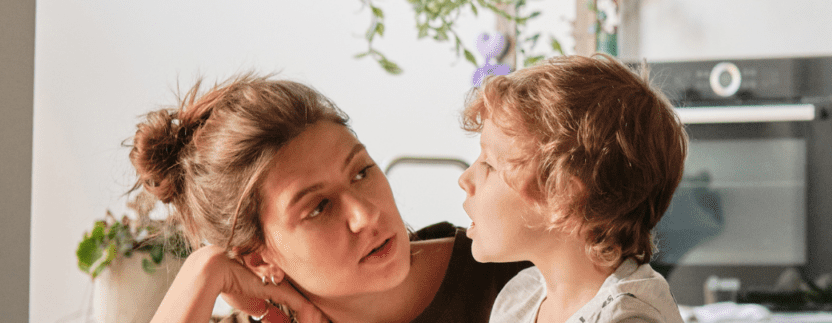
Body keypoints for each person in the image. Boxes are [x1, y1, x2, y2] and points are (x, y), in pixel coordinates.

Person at [130, 74, 527, 323]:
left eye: (361, 172)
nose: (365, 214)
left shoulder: (515, 271)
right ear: (258, 258)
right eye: (318, 208)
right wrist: (205, 269)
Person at [457, 54, 688, 323]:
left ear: (564, 195)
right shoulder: (520, 296)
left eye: (489, 164)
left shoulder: (627, 317)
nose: (465, 179)